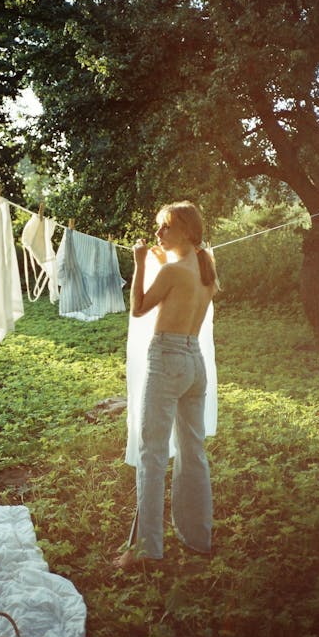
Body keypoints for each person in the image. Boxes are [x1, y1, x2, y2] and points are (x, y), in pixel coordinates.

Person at [115, 200, 219, 569]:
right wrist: (161, 261)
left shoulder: (174, 271)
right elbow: (179, 290)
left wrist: (141, 262)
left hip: (168, 359)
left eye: (166, 227)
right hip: (194, 362)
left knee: (152, 453)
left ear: (187, 232)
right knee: (193, 452)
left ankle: (146, 551)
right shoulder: (206, 267)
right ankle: (197, 538)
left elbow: (139, 307)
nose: (159, 233)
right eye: (159, 227)